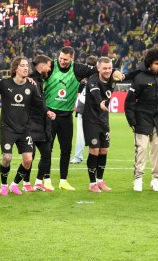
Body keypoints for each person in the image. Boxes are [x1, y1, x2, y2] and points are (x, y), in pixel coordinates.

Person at [44, 47, 122, 191]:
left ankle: (63, 181)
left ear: (72, 58)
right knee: (47, 148)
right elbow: (37, 69)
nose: (62, 61)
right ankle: (46, 179)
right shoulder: (51, 65)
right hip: (50, 113)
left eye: (65, 59)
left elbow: (100, 68)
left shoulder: (78, 69)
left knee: (66, 149)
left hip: (67, 115)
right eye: (60, 58)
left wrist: (115, 70)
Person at [0, 56, 50, 196]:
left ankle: (14, 184)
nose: (26, 68)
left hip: (24, 129)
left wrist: (48, 112)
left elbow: (39, 103)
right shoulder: (4, 84)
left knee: (28, 159)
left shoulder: (31, 86)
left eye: (27, 66)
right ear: (15, 68)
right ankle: (3, 185)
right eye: (22, 65)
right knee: (7, 158)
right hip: (7, 128)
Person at [125, 48, 158, 192]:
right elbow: (129, 101)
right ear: (150, 63)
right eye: (157, 64)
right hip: (142, 118)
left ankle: (156, 179)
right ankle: (138, 179)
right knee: (142, 149)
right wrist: (132, 121)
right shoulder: (140, 78)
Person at [80, 57, 116, 193]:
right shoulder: (93, 80)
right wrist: (100, 102)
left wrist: (120, 73)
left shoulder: (112, 78)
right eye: (104, 68)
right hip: (91, 120)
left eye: (109, 68)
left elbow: (128, 75)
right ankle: (92, 183)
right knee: (94, 150)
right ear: (98, 68)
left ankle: (100, 180)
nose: (107, 71)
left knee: (104, 150)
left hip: (104, 120)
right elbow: (95, 93)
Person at [28, 55, 55, 191]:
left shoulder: (39, 80)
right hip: (31, 122)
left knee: (46, 154)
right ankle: (25, 184)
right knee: (29, 156)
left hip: (42, 123)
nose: (49, 69)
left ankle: (38, 182)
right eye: (49, 66)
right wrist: (47, 111)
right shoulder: (30, 79)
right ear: (42, 65)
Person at [70, 55, 98, 164]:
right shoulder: (98, 76)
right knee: (96, 132)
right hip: (94, 109)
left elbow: (78, 93)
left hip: (83, 106)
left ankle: (78, 157)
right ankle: (95, 155)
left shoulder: (83, 78)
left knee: (80, 134)